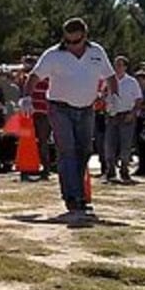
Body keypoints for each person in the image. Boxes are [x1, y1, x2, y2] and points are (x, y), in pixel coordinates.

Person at [25, 18, 118, 222]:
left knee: (84, 150)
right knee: (67, 150)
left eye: (76, 42)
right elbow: (34, 76)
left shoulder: (97, 53)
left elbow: (111, 76)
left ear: (85, 37)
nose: (72, 46)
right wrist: (26, 97)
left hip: (86, 108)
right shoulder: (53, 55)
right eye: (68, 42)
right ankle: (73, 197)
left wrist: (113, 96)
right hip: (60, 108)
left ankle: (76, 192)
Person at [103, 56, 142, 184]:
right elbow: (103, 96)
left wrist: (133, 113)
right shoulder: (108, 81)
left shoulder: (131, 82)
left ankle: (124, 169)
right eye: (116, 65)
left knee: (126, 144)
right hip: (112, 115)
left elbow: (138, 99)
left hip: (126, 115)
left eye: (120, 65)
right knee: (110, 143)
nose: (117, 67)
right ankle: (110, 170)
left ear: (125, 67)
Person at [23, 56, 54, 178]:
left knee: (42, 141)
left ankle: (45, 167)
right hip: (33, 114)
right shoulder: (45, 78)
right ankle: (37, 166)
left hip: (41, 114)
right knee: (37, 142)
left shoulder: (36, 79)